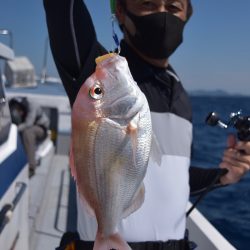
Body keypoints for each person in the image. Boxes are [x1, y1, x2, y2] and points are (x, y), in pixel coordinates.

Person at [43, 0, 250, 249]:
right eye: (148, 3)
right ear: (120, 11)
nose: (162, 15)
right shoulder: (100, 74)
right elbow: (63, 12)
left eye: (173, 7)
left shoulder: (180, 94)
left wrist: (223, 176)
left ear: (186, 17)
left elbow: (175, 178)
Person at [9, 97, 50, 178]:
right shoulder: (20, 107)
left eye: (18, 109)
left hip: (41, 129)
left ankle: (31, 167)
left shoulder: (32, 105)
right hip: (28, 126)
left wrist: (13, 129)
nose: (17, 111)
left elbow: (29, 123)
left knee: (27, 132)